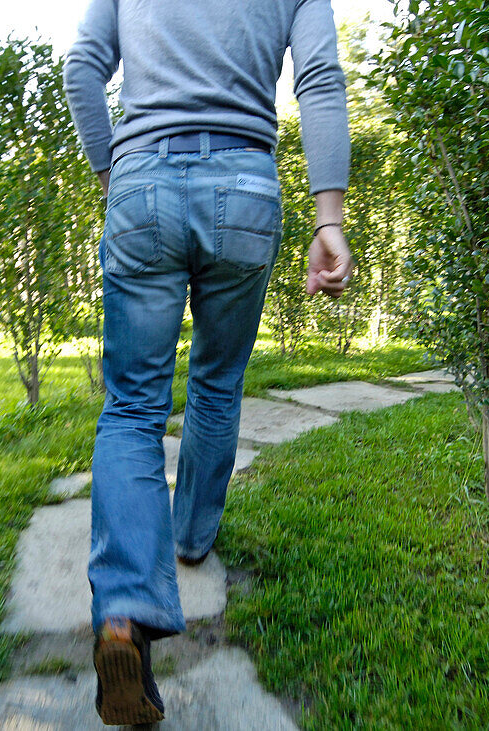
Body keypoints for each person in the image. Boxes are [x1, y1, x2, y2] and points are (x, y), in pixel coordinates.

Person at [64, 0, 352, 724]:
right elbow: (318, 78)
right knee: (217, 385)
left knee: (132, 406)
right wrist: (330, 220)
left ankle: (124, 612)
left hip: (144, 185)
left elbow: (81, 68)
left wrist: (115, 174)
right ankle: (192, 538)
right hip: (245, 188)